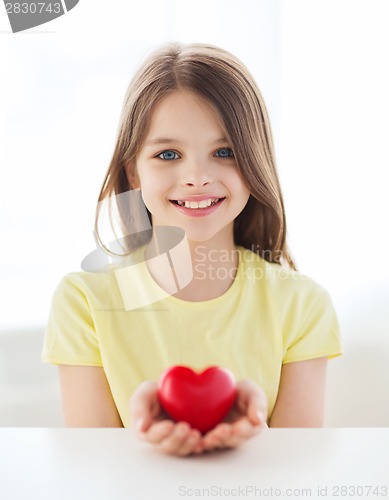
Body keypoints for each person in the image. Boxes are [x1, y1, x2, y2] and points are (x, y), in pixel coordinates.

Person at [42, 42, 343, 456]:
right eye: (168, 154)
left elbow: (298, 473)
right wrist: (147, 436)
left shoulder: (303, 304)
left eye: (225, 152)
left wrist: (253, 434)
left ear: (256, 163)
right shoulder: (85, 301)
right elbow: (91, 471)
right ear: (134, 171)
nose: (197, 177)